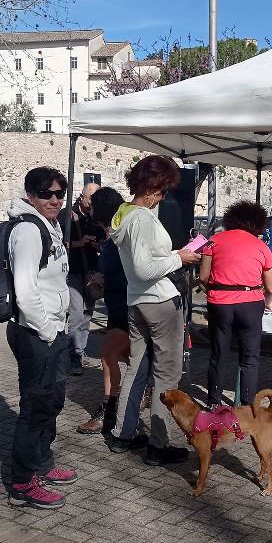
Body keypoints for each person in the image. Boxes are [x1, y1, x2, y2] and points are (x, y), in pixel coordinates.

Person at [108, 155, 201, 465]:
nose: (163, 197)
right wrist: (180, 259)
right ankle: (158, 445)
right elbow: (146, 268)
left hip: (136, 301)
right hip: (160, 302)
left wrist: (173, 254)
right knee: (166, 375)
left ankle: (123, 432)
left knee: (136, 369)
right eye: (163, 191)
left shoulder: (123, 215)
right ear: (153, 188)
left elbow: (139, 265)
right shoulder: (143, 219)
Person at [5, 167, 78, 510]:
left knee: (51, 403)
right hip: (36, 334)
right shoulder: (28, 231)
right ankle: (22, 482)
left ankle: (42, 464)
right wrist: (48, 330)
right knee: (34, 409)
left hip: (53, 332)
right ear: (30, 194)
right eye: (47, 193)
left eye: (59, 194)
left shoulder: (51, 227)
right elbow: (25, 290)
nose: (54, 200)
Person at [76, 187, 152, 435]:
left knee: (109, 355)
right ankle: (136, 396)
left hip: (128, 304)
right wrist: (101, 275)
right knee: (127, 355)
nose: (87, 207)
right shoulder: (113, 236)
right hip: (120, 304)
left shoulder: (122, 234)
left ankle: (109, 411)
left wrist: (103, 275)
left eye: (91, 204)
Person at [198, 201, 272, 407]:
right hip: (251, 304)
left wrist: (216, 292)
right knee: (250, 358)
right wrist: (268, 303)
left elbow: (203, 277)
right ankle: (246, 406)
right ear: (258, 224)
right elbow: (270, 287)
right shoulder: (262, 247)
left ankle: (213, 403)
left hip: (219, 303)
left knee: (218, 354)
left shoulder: (212, 242)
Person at [61, 182, 104, 376]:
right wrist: (79, 243)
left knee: (87, 314)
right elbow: (58, 244)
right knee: (76, 314)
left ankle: (81, 351)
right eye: (90, 199)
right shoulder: (66, 215)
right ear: (81, 196)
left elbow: (104, 241)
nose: (91, 204)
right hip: (73, 271)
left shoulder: (96, 216)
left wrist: (97, 245)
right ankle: (74, 356)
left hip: (91, 271)